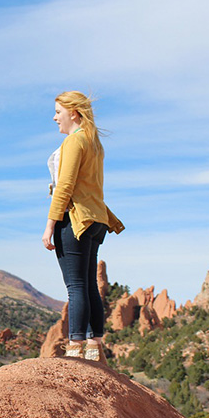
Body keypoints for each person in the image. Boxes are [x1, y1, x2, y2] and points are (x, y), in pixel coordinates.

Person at [42, 91, 124, 363]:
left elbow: (64, 187)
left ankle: (75, 347)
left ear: (73, 113)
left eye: (58, 112)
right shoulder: (94, 143)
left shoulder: (74, 142)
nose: (55, 117)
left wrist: (50, 225)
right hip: (97, 219)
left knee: (75, 285)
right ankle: (93, 344)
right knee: (88, 283)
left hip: (75, 219)